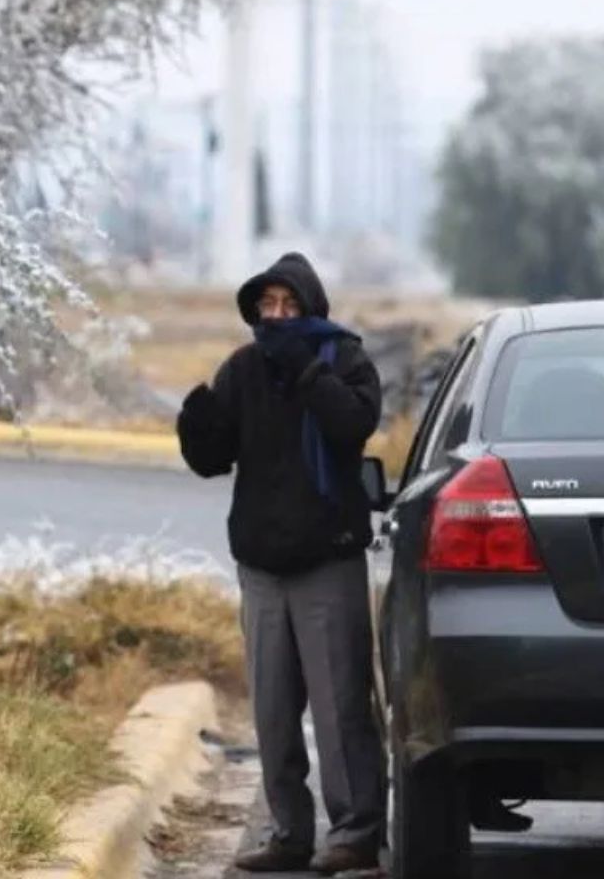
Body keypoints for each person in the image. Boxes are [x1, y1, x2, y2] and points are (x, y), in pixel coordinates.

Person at [176, 252, 386, 875]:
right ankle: (290, 832)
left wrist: (308, 375)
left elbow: (354, 425)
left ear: (311, 307)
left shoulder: (341, 357)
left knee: (340, 705)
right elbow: (215, 459)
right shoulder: (242, 369)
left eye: (288, 306)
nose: (276, 316)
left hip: (328, 560)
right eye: (267, 306)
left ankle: (355, 832)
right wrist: (197, 426)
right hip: (263, 566)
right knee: (272, 709)